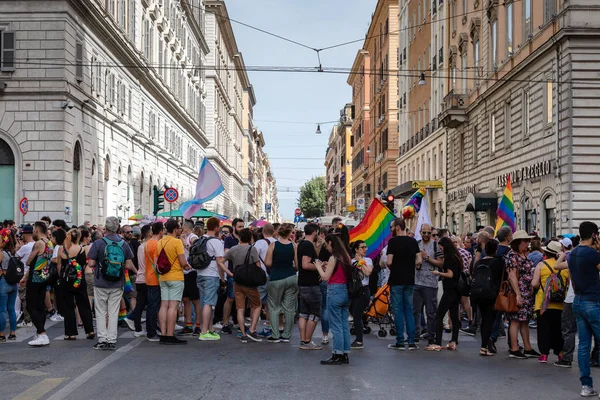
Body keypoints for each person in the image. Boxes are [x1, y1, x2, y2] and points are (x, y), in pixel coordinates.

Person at [87, 216, 136, 350]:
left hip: (100, 282)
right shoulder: (124, 244)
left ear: (106, 228)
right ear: (118, 228)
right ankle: (112, 339)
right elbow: (128, 264)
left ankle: (102, 339)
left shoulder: (98, 243)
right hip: (117, 282)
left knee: (101, 311)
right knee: (114, 311)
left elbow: (91, 262)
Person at [564, 222, 600, 396]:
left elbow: (572, 278)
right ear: (594, 235)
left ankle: (586, 386)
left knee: (584, 345)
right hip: (593, 301)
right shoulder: (593, 254)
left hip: (577, 301)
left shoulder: (572, 253)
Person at [314, 234, 352, 365]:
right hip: (345, 290)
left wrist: (318, 266)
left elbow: (325, 277)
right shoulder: (346, 257)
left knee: (336, 325)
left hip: (334, 290)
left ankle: (337, 353)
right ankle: (345, 353)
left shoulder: (333, 258)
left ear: (330, 243)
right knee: (344, 324)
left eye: (327, 245)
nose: (326, 248)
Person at [385, 218, 421, 350]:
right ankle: (411, 341)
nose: (390, 230)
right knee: (409, 310)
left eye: (391, 227)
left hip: (397, 280)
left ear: (398, 227)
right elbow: (419, 259)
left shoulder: (393, 242)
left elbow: (389, 262)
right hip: (410, 280)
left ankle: (400, 341)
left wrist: (394, 268)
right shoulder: (413, 241)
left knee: (398, 310)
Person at [531, 240, 569, 364]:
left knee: (543, 329)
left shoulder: (541, 265)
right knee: (558, 329)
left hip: (543, 304)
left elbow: (534, 284)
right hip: (560, 303)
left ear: (546, 252)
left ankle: (544, 354)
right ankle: (560, 353)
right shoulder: (564, 267)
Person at [224, 228, 263, 343]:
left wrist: (230, 273)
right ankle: (252, 329)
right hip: (249, 282)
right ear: (250, 237)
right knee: (257, 305)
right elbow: (258, 265)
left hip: (237, 280)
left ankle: (243, 334)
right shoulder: (252, 249)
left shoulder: (233, 249)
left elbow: (221, 262)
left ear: (239, 237)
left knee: (239, 308)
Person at [505, 230, 539, 359]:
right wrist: (518, 294)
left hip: (526, 292)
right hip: (518, 292)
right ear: (518, 242)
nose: (528, 243)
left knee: (524, 320)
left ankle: (527, 347)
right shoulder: (513, 255)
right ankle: (514, 348)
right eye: (525, 241)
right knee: (515, 320)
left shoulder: (522, 254)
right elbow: (512, 276)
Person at [197, 217, 231, 341]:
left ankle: (209, 329)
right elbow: (220, 262)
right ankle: (204, 331)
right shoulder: (216, 242)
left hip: (200, 274)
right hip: (211, 275)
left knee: (204, 302)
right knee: (209, 303)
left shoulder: (202, 239)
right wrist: (224, 277)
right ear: (217, 228)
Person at [425, 237, 462, 351]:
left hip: (449, 290)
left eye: (441, 246)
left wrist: (438, 273)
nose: (440, 249)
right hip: (456, 290)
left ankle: (437, 342)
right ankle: (453, 341)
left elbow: (450, 274)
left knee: (439, 315)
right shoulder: (456, 257)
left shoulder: (449, 258)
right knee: (455, 317)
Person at [264, 223, 298, 343]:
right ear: (289, 234)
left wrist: (277, 265)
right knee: (289, 308)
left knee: (274, 307)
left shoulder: (273, 245)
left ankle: (275, 334)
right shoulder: (294, 245)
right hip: (291, 276)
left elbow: (267, 263)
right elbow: (297, 265)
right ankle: (287, 335)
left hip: (276, 277)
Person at [157, 219, 189, 345]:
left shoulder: (160, 241)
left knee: (164, 305)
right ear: (175, 229)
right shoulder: (177, 242)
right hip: (175, 276)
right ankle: (170, 334)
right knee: (173, 306)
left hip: (163, 277)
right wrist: (187, 266)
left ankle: (163, 334)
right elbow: (182, 262)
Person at [59, 228, 95, 340]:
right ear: (79, 237)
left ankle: (71, 333)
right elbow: (87, 264)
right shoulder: (82, 249)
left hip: (66, 281)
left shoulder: (62, 249)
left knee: (68, 306)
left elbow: (59, 266)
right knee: (84, 304)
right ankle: (89, 330)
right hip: (79, 280)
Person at [470, 239, 504, 356]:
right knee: (489, 320)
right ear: (496, 250)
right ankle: (484, 347)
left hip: (479, 293)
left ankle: (484, 346)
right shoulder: (498, 263)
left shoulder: (479, 263)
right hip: (491, 294)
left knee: (484, 319)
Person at [24, 221, 54, 347]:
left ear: (36, 230)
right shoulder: (49, 242)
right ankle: (40, 332)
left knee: (30, 306)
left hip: (35, 278)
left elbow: (29, 261)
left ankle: (42, 333)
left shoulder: (39, 243)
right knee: (40, 306)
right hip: (45, 276)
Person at [413, 223, 443, 345]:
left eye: (428, 233)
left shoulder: (436, 245)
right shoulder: (417, 244)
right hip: (416, 282)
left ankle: (431, 336)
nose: (426, 235)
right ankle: (415, 335)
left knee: (431, 312)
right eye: (424, 232)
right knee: (415, 311)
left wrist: (427, 258)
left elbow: (441, 264)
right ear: (420, 232)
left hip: (430, 283)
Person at [296, 223, 323, 350]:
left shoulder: (301, 243)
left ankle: (303, 341)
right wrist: (319, 267)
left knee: (304, 313)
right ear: (314, 232)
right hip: (310, 283)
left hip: (303, 282)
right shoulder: (307, 245)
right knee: (314, 313)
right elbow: (306, 264)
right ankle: (307, 341)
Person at [221, 218, 244, 334]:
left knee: (242, 299)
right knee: (230, 298)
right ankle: (225, 323)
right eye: (239, 226)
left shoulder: (245, 238)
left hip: (244, 273)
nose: (241, 228)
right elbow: (227, 255)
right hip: (232, 272)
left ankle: (240, 323)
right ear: (234, 227)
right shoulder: (229, 240)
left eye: (242, 226)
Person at [349, 240, 373, 349]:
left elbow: (368, 272)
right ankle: (357, 335)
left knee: (358, 315)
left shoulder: (368, 260)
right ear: (356, 249)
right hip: (353, 290)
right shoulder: (350, 261)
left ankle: (359, 341)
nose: (365, 249)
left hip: (363, 290)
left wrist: (361, 261)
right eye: (362, 247)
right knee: (354, 313)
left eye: (366, 247)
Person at [254, 223, 276, 337]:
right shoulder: (277, 243)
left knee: (257, 303)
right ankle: (269, 328)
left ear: (263, 232)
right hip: (274, 276)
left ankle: (253, 328)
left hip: (262, 276)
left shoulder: (260, 243)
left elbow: (253, 256)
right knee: (270, 305)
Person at [144, 222, 163, 342]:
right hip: (155, 278)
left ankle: (152, 329)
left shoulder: (148, 243)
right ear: (161, 231)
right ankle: (151, 332)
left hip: (148, 276)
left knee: (152, 305)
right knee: (153, 306)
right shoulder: (156, 244)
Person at [181, 220, 201, 335]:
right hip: (183, 272)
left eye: (182, 227)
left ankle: (197, 325)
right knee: (186, 299)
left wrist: (185, 243)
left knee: (195, 300)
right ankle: (188, 325)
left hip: (192, 272)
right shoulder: (182, 237)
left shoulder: (192, 237)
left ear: (187, 228)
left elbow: (196, 249)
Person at [132, 224, 152, 338]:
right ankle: (150, 327)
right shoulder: (149, 245)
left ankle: (138, 327)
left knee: (140, 304)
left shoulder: (141, 246)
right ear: (149, 233)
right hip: (147, 278)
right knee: (151, 305)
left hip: (140, 277)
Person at [0, 228, 19, 342]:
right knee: (11, 309)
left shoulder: (1, 253)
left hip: (3, 283)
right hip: (13, 283)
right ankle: (12, 333)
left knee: (2, 310)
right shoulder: (13, 252)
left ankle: (1, 334)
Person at [15, 224, 34, 327]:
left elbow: (15, 256)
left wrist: (18, 247)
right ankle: (32, 318)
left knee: (24, 298)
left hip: (24, 275)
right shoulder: (36, 244)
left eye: (22, 234)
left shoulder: (25, 247)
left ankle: (27, 320)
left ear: (26, 235)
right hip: (33, 274)